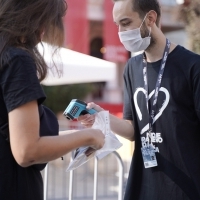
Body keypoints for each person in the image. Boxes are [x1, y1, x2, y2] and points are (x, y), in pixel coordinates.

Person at [78, 0, 200, 199]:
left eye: (125, 23)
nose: (120, 32)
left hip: (187, 189)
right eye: (117, 24)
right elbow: (133, 129)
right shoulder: (132, 68)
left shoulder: (193, 67)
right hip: (143, 186)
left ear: (150, 18)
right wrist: (102, 116)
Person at [0, 0, 105, 199]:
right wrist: (90, 136)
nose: (45, 30)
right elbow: (27, 150)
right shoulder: (16, 60)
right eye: (46, 21)